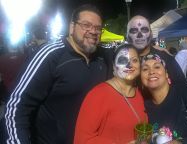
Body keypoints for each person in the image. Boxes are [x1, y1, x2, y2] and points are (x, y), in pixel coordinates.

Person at [3, 4, 108, 144]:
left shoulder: (103, 58)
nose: (93, 31)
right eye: (86, 25)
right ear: (72, 27)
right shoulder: (51, 55)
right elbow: (16, 106)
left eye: (98, 28)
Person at [74, 44, 147, 144]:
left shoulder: (141, 94)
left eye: (134, 60)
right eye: (122, 61)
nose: (129, 65)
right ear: (113, 66)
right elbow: (81, 140)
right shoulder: (98, 95)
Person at [127, 15, 185, 86]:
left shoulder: (165, 57)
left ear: (151, 34)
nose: (140, 35)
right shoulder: (120, 60)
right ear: (127, 35)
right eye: (134, 31)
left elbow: (181, 86)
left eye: (144, 30)